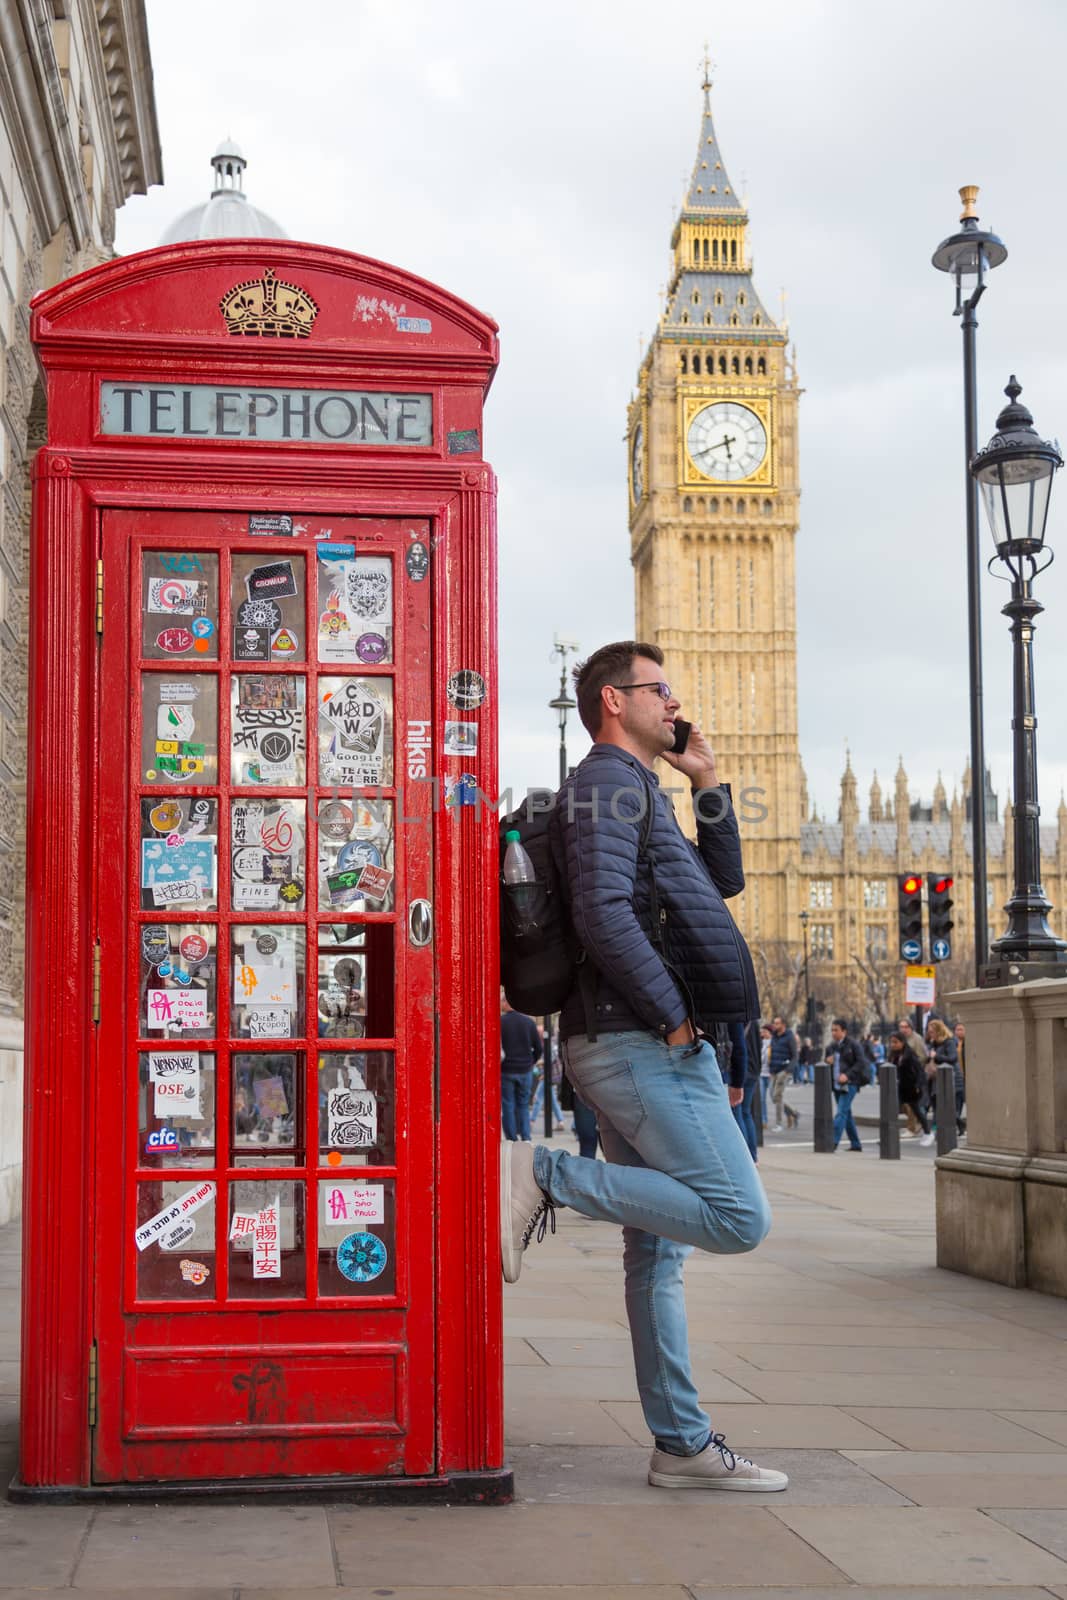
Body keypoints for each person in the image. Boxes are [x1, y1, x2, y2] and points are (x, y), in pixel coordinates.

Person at [499, 640, 785, 1493]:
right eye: (659, 690)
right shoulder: (607, 783)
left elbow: (719, 885)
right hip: (635, 1038)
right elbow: (599, 912)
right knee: (738, 1218)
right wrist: (672, 1021)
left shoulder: (642, 788)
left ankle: (681, 1445)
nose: (674, 704)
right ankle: (539, 1173)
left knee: (654, 1258)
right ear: (612, 701)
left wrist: (706, 785)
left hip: (636, 1037)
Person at [500, 996, 542, 1142]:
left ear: (506, 1002)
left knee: (508, 1104)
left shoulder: (500, 1022)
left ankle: (511, 1138)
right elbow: (538, 1048)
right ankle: (526, 1137)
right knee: (524, 1105)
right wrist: (531, 1062)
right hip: (525, 1069)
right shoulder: (529, 1022)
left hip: (506, 1070)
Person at [826, 1017, 868, 1152]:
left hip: (850, 1083)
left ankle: (832, 1141)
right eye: (832, 1030)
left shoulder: (853, 1045)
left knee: (841, 1112)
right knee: (846, 1113)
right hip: (836, 1084)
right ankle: (856, 1144)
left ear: (844, 1031)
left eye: (836, 1030)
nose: (833, 1033)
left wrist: (848, 1075)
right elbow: (826, 1063)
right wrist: (827, 1061)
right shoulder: (831, 1047)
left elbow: (861, 1062)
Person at [887, 1031, 934, 1145]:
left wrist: (918, 1086)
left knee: (916, 1110)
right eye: (891, 1042)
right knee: (893, 1110)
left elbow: (919, 1072)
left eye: (895, 1042)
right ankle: (888, 1136)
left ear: (902, 1042)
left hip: (911, 1087)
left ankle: (928, 1132)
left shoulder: (910, 1054)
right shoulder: (893, 1054)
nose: (893, 1045)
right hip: (899, 1087)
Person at [926, 1017, 965, 1136]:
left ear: (939, 1031)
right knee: (937, 1102)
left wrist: (936, 1056)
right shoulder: (933, 1043)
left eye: (932, 1031)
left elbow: (952, 1059)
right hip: (937, 1077)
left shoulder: (949, 1041)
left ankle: (956, 1124)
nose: (930, 1034)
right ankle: (936, 1129)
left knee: (947, 1104)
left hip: (951, 1076)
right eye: (929, 1031)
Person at [897, 1018, 930, 1136]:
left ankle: (912, 1128)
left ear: (911, 1028)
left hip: (913, 1076)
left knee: (910, 1103)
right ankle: (919, 1122)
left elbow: (923, 1057)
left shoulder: (917, 1039)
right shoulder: (901, 1040)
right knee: (904, 1104)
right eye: (901, 1027)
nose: (903, 1029)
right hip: (903, 1077)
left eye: (906, 1027)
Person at [768, 1015, 799, 1130]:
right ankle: (794, 1113)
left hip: (784, 1071)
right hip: (774, 1071)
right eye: (774, 1023)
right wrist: (771, 1070)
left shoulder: (790, 1037)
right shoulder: (774, 1037)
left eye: (777, 1023)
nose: (775, 1025)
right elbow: (773, 1053)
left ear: (783, 1025)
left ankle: (779, 1124)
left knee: (777, 1096)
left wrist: (787, 1070)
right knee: (774, 1096)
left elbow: (795, 1056)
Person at [758, 1023, 773, 1123]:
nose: (762, 1033)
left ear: (770, 1032)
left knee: (775, 1098)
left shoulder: (774, 1042)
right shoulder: (760, 1042)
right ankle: (764, 1120)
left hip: (771, 1075)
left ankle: (791, 1113)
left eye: (765, 1031)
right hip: (761, 1074)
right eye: (762, 1031)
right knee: (762, 1098)